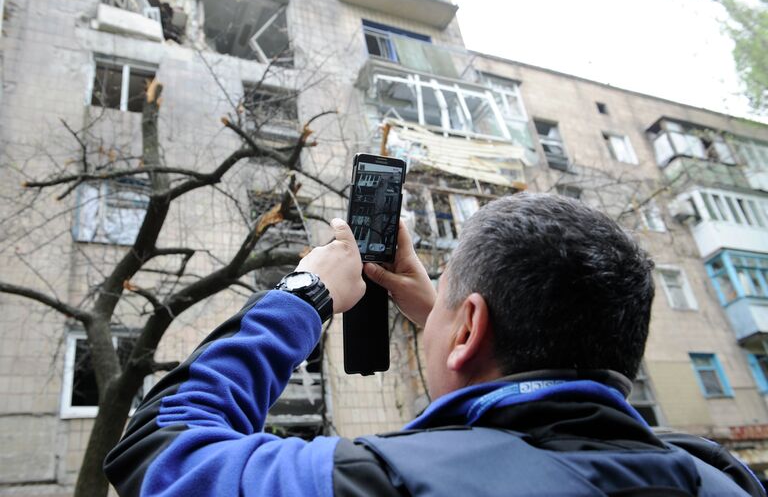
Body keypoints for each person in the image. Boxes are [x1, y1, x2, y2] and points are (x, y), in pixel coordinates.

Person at [104, 193, 764, 496]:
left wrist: (303, 294)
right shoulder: (718, 474)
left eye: (447, 296)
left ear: (470, 327)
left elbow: (158, 455)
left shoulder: (386, 480)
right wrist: (447, 317)